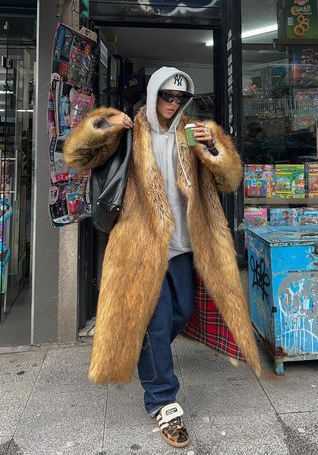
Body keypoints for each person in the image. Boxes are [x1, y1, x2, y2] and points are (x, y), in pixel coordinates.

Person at [63, 67, 261, 448]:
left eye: (179, 98)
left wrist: (215, 145)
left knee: (181, 312)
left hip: (185, 246)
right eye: (166, 96)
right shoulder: (128, 131)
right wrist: (100, 122)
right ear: (153, 94)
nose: (172, 104)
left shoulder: (192, 134)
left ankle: (143, 348)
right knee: (155, 327)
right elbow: (76, 155)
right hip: (141, 249)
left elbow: (229, 180)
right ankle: (164, 401)